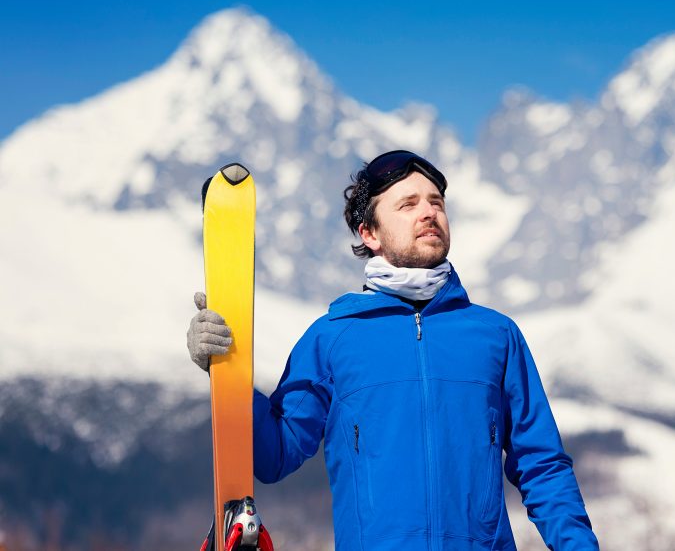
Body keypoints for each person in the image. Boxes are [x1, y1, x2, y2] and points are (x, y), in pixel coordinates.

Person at [188, 150, 599, 550]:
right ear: (370, 233)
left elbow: (542, 465)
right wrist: (225, 372)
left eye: (436, 202)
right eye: (408, 204)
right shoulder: (333, 338)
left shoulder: (496, 335)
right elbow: (275, 454)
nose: (429, 212)